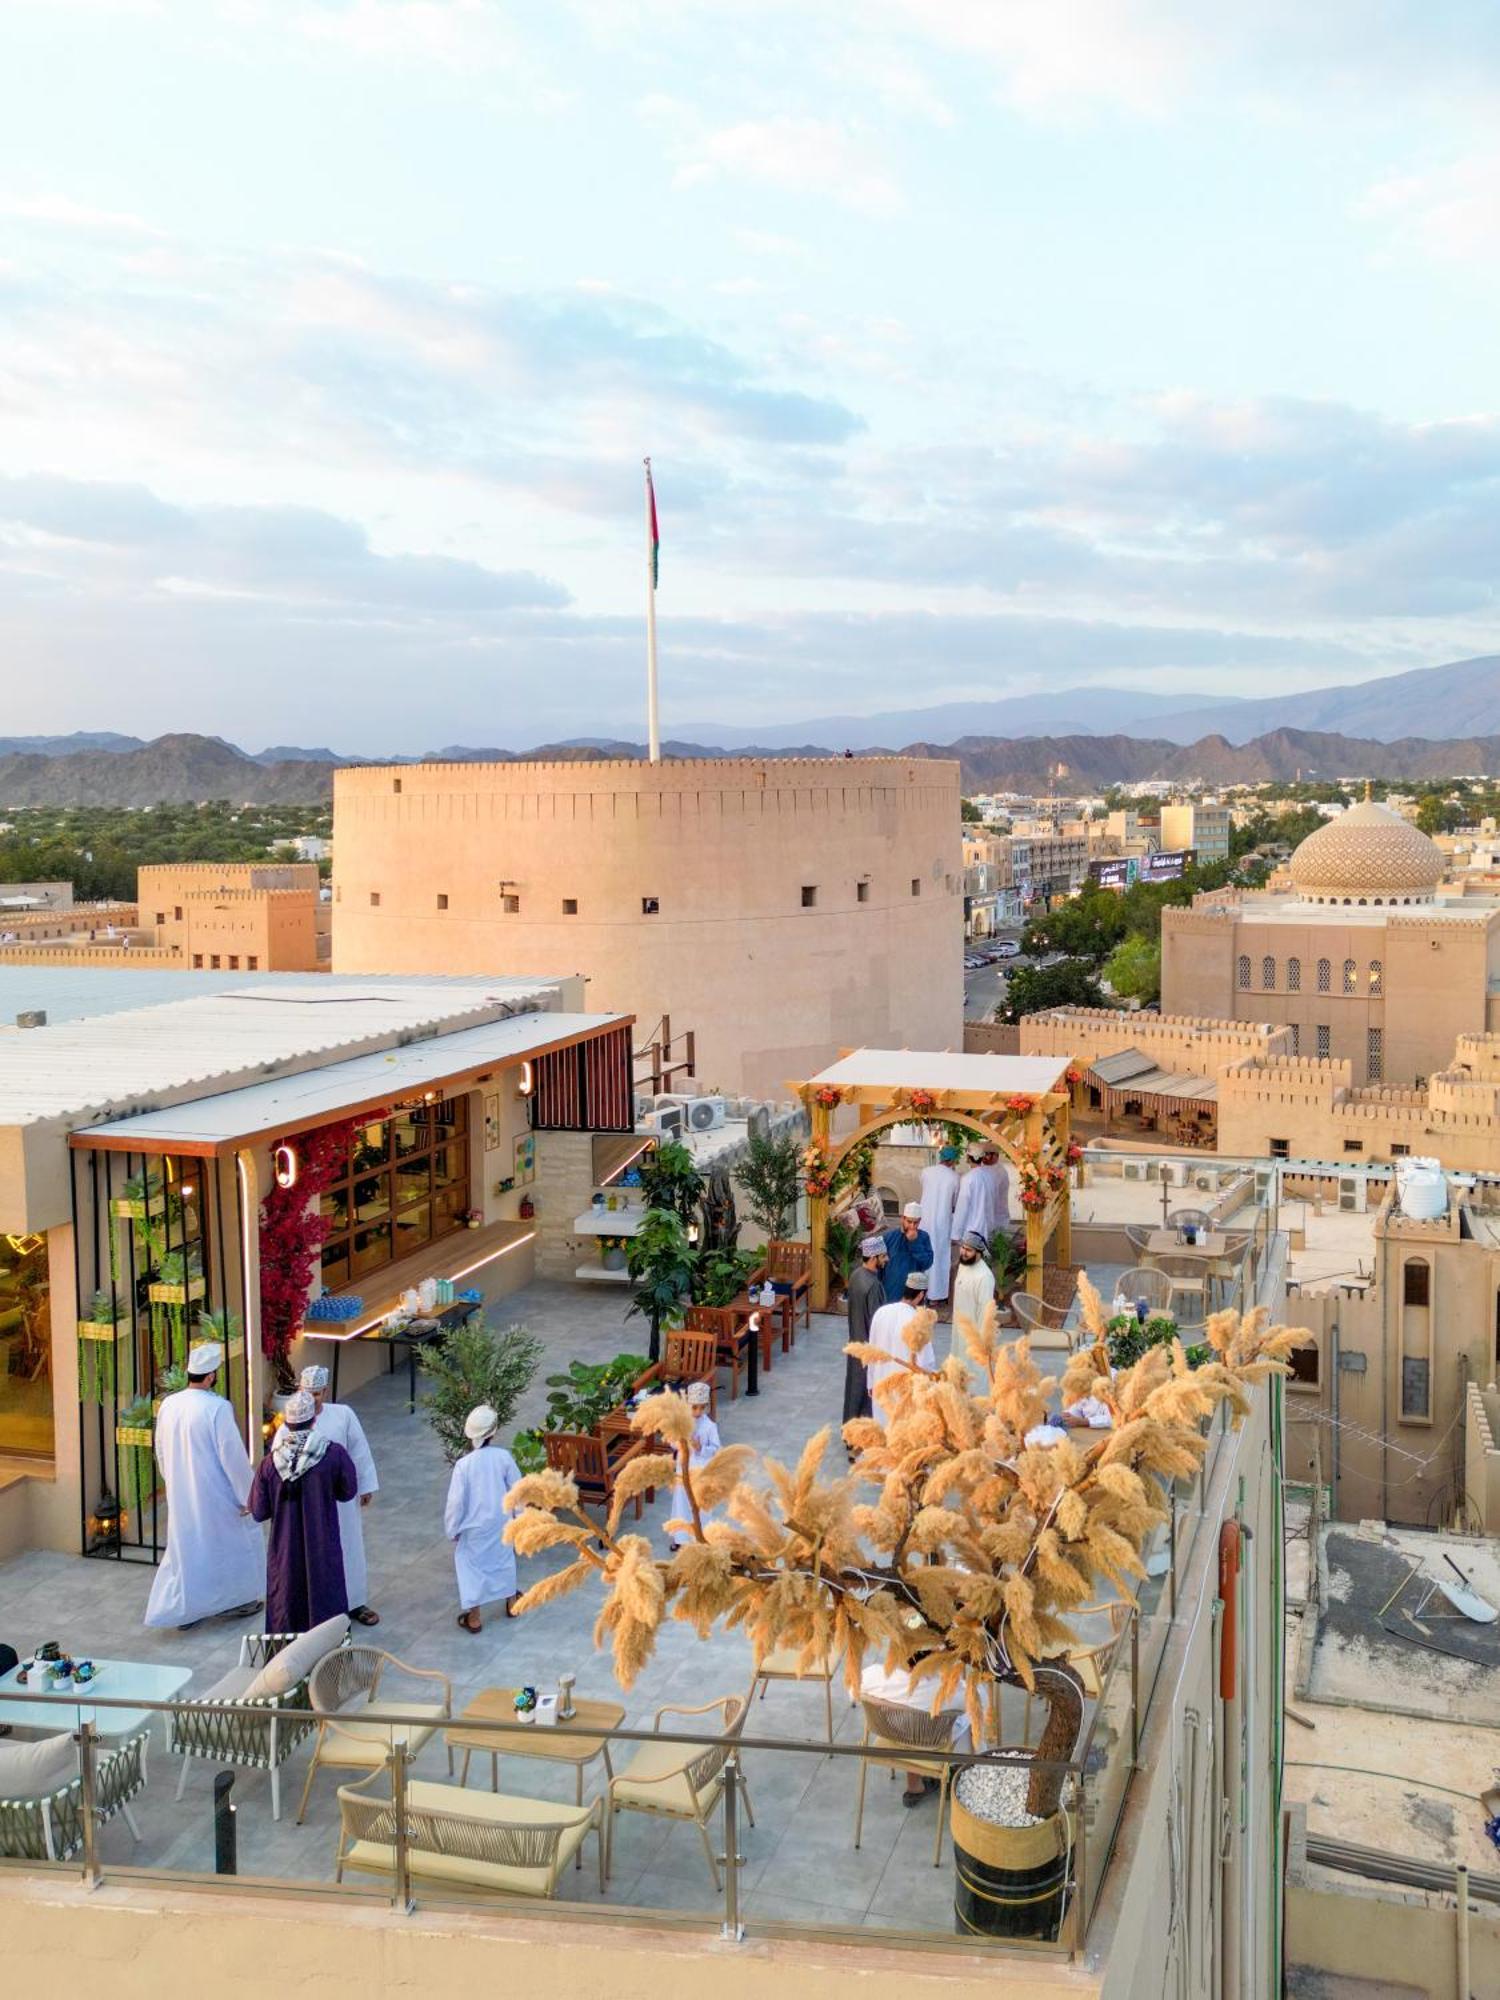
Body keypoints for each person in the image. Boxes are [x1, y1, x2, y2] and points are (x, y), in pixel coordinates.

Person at [144, 1341, 263, 1631]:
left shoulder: (169, 1404)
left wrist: (172, 1480)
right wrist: (249, 1494)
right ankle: (239, 1599)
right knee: (230, 1546)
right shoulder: (218, 1408)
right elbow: (232, 1455)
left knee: (189, 1548)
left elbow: (159, 1448)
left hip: (182, 1491)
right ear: (210, 1376)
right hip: (216, 1493)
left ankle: (190, 1606)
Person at [249, 1390, 358, 1633]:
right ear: (313, 1420)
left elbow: (258, 1510)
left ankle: (286, 1666)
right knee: (326, 1603)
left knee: (286, 1607)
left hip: (284, 1552)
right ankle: (328, 1665)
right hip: (323, 1546)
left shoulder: (270, 1464)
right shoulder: (333, 1454)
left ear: (287, 1423)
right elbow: (348, 1491)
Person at [300, 1364, 381, 1626]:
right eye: (307, 1393)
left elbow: (359, 1449)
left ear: (325, 1391)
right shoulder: (293, 1418)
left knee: (349, 1546)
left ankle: (355, 1601)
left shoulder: (342, 1415)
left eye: (317, 1394)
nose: (312, 1399)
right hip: (309, 1501)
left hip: (340, 1498)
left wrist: (365, 1483)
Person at [445, 1403, 521, 1633]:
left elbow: (455, 1502)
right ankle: (512, 1602)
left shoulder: (463, 1465)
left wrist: (452, 1529)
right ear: (494, 1432)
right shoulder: (503, 1457)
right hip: (501, 1523)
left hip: (473, 1528)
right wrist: (521, 1519)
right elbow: (518, 1491)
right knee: (503, 1562)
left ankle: (475, 1616)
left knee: (470, 1567)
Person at [859, 1657, 972, 1805]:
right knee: (970, 1716)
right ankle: (961, 1773)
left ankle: (914, 1786)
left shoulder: (872, 1674)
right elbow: (977, 1701)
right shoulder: (951, 1690)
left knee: (915, 1717)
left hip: (892, 1730)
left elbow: (853, 1687)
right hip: (934, 1740)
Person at [865, 1270, 937, 1426]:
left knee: (882, 1431)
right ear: (921, 1295)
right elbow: (926, 1364)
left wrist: (870, 1383)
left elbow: (871, 1351)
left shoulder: (881, 1312)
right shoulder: (918, 1322)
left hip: (880, 1384)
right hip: (904, 1391)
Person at [842, 1233, 887, 1428]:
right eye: (884, 1256)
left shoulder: (855, 1275)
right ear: (874, 1257)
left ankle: (849, 1431)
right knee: (866, 1393)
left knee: (853, 1389)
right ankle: (859, 1438)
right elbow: (877, 1321)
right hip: (868, 1348)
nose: (887, 1260)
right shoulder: (873, 1285)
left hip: (855, 1342)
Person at [669, 1381, 722, 1548]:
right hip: (683, 1468)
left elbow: (716, 1448)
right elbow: (671, 1441)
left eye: (701, 1407)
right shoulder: (681, 1423)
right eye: (694, 1407)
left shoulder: (710, 1426)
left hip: (701, 1470)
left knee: (700, 1503)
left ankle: (701, 1537)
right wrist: (681, 1442)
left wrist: (700, 1448)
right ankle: (680, 1538)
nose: (697, 1412)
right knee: (681, 1502)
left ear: (706, 1407)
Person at [917, 1146, 960, 1305]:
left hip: (925, 1219)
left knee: (923, 1253)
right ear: (953, 1160)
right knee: (940, 1257)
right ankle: (935, 1296)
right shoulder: (955, 1177)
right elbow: (955, 1202)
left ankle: (920, 1290)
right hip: (943, 1221)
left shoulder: (926, 1171)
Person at [952, 1142, 1010, 1252]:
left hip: (972, 1230)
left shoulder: (968, 1178)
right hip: (988, 1226)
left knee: (970, 1264)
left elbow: (962, 1207)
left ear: (968, 1158)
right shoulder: (990, 1176)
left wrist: (955, 1234)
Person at [881, 1202, 934, 1303]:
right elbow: (880, 1266)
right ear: (903, 1219)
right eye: (909, 1222)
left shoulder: (924, 1237)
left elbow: (927, 1263)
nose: (912, 1226)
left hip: (913, 1295)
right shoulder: (889, 1237)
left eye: (916, 1223)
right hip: (891, 1293)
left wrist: (915, 1243)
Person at [951, 1229, 997, 1333]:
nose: (963, 1252)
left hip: (974, 1334)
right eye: (962, 1247)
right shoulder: (964, 1264)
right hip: (959, 1327)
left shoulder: (985, 1276)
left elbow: (985, 1313)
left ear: (979, 1253)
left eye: (968, 1250)